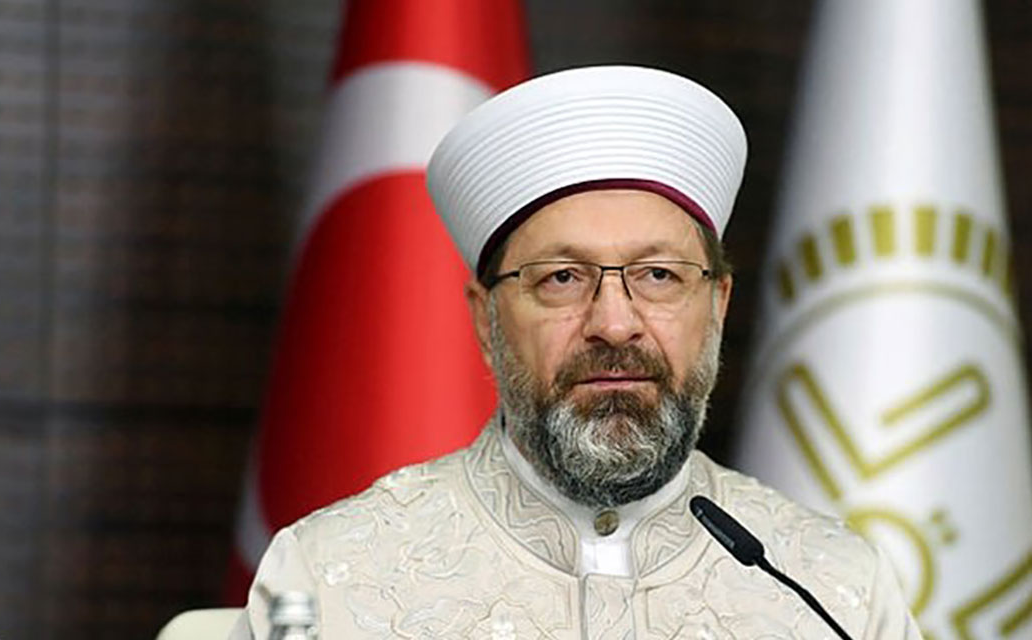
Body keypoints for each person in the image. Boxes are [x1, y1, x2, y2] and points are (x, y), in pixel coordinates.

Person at [231, 65, 922, 639]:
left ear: (716, 307)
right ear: (486, 320)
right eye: (562, 278)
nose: (614, 324)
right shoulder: (329, 579)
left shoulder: (835, 589)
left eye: (659, 275)